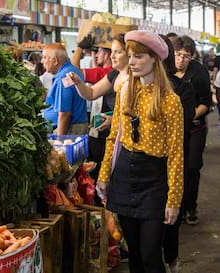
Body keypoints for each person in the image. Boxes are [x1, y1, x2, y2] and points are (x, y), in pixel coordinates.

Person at [97, 30, 184, 273]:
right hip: (124, 175)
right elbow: (114, 137)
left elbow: (176, 153)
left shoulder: (170, 101)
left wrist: (174, 199)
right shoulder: (125, 91)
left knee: (150, 255)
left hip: (154, 180)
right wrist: (104, 175)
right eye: (130, 56)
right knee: (134, 253)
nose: (132, 61)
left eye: (139, 57)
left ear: (155, 58)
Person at [68, 33, 128, 205]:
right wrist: (79, 83)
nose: (112, 56)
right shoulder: (113, 75)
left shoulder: (136, 80)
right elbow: (91, 93)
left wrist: (115, 121)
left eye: (117, 52)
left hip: (126, 141)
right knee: (105, 180)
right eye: (112, 51)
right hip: (109, 137)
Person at [159, 34, 195, 273]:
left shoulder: (181, 89)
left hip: (170, 163)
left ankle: (171, 260)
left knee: (168, 218)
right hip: (139, 170)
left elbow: (182, 131)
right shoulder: (133, 88)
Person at [173, 35, 211, 225]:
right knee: (175, 168)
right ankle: (175, 206)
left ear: (192, 56)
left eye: (186, 56)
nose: (181, 59)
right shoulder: (166, 71)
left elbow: (206, 102)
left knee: (192, 167)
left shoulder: (199, 72)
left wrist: (188, 118)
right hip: (172, 131)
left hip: (195, 128)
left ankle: (190, 205)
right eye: (178, 55)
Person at [42, 43, 88, 135]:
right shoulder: (72, 70)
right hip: (75, 126)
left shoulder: (64, 77)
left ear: (55, 61)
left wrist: (60, 140)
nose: (42, 61)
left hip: (69, 129)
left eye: (45, 57)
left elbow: (65, 114)